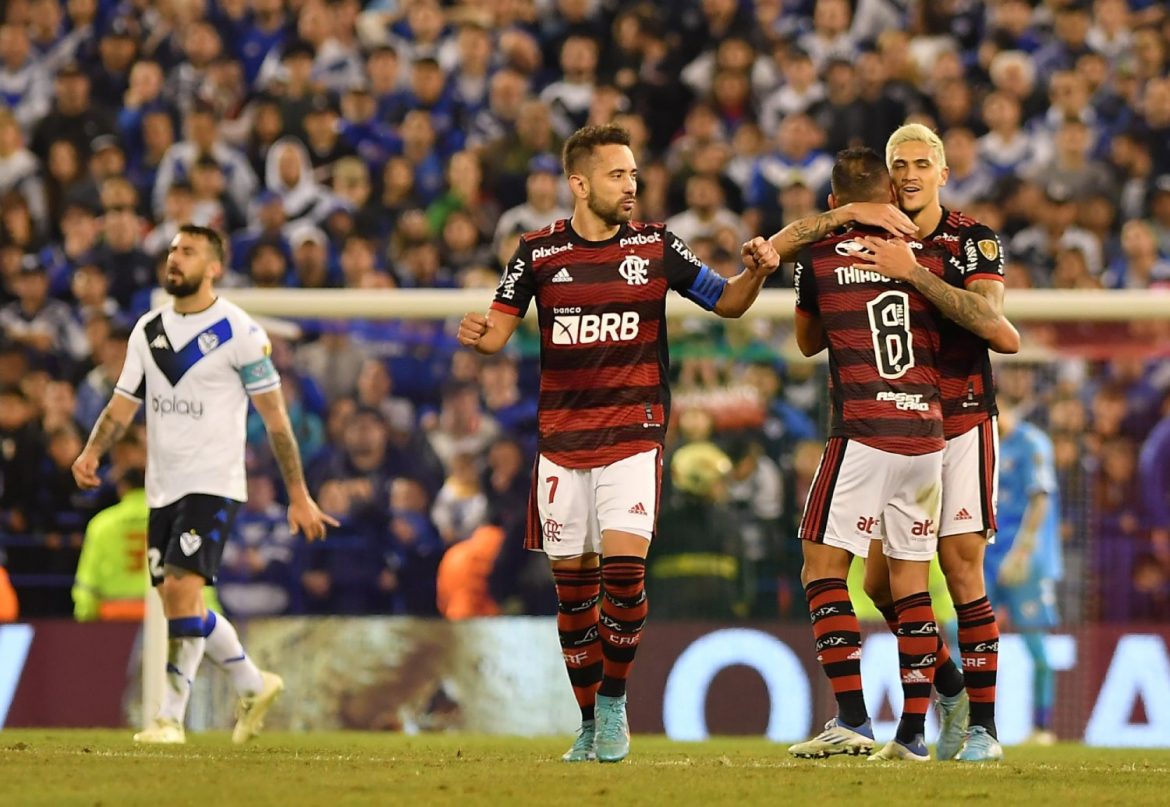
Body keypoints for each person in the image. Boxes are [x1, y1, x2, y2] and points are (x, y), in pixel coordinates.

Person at [457, 123, 781, 764]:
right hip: (561, 445)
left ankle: (612, 703)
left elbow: (728, 303)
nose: (630, 185)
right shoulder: (537, 252)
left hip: (633, 438)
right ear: (579, 184)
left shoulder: (658, 247)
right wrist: (479, 334)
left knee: (625, 576)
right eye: (616, 175)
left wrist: (757, 274)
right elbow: (498, 331)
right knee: (574, 596)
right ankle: (587, 720)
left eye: (633, 174)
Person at [71, 224, 337, 745]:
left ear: (213, 266)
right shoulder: (148, 330)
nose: (175, 258)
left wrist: (298, 494)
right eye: (172, 250)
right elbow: (123, 405)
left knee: (180, 588)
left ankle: (170, 718)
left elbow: (278, 421)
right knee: (181, 602)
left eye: (187, 251)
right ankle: (253, 683)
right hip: (161, 486)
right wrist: (92, 452)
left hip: (214, 482)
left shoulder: (240, 332)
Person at [853, 123, 1021, 763]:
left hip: (960, 422)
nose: (911, 174)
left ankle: (984, 727)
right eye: (900, 164)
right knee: (879, 583)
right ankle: (948, 684)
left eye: (923, 163)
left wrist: (914, 273)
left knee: (959, 568)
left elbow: (995, 326)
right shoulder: (867, 242)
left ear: (943, 173)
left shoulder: (972, 241)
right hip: (894, 427)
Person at [783, 147, 947, 763]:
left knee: (822, 569)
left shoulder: (819, 255)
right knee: (910, 582)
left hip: (864, 426)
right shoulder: (924, 255)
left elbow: (806, 343)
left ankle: (852, 717)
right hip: (926, 434)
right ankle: (912, 735)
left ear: (835, 202)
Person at [988, 396, 1062, 745]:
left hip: (1026, 562)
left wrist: (1021, 552)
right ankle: (966, 723)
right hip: (986, 555)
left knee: (1037, 645)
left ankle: (1042, 727)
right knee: (962, 633)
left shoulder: (1032, 443)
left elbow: (1041, 498)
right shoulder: (981, 441)